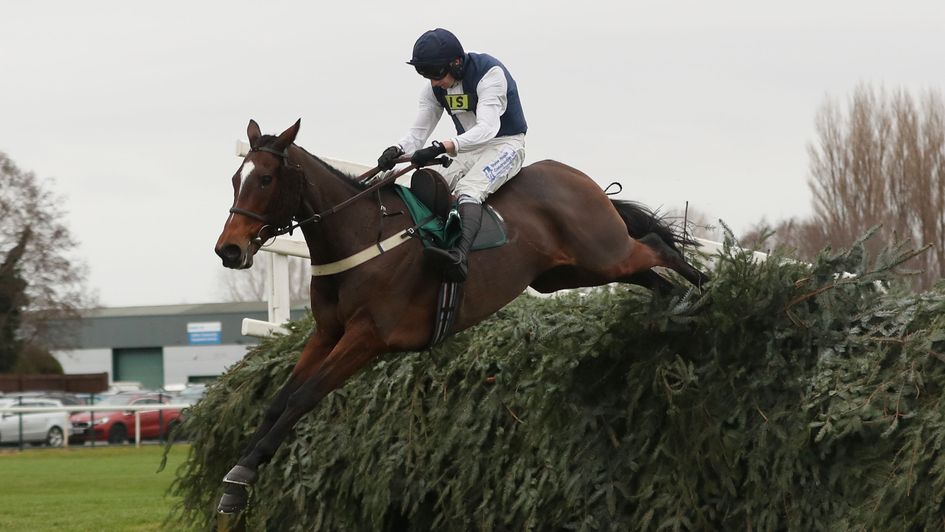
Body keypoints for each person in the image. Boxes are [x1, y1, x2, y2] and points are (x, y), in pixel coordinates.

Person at [377, 28, 527, 283]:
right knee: (428, 183)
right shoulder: (433, 90)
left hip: (505, 144)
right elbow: (418, 133)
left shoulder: (490, 74)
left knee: (469, 189)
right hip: (467, 148)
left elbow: (487, 129)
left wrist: (441, 147)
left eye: (435, 73)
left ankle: (459, 257)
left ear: (456, 63)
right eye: (425, 74)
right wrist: (397, 150)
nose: (434, 82)